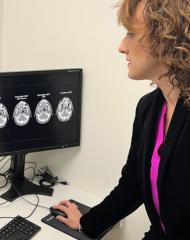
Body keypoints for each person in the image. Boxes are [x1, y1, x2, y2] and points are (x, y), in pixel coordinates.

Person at [53, 0, 190, 239]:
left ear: (167, 37)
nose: (121, 46)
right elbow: (132, 186)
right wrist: (87, 222)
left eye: (131, 33)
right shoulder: (149, 109)